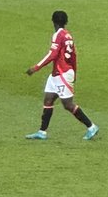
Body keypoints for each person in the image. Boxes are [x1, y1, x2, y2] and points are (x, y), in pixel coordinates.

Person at [25, 11, 98, 142]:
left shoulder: (58, 35)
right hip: (58, 74)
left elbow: (52, 54)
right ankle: (42, 132)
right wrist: (74, 72)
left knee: (68, 104)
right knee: (48, 99)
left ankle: (91, 127)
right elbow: (74, 55)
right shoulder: (68, 35)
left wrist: (35, 68)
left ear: (53, 21)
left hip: (62, 73)